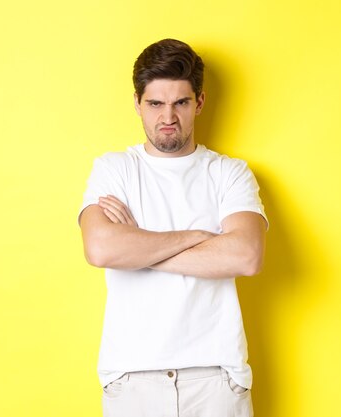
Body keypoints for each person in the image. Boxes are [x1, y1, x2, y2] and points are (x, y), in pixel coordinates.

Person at [78, 38, 267, 417]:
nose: (168, 117)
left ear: (198, 102)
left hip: (216, 378)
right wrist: (199, 238)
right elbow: (101, 250)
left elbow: (246, 256)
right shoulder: (115, 170)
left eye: (180, 102)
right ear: (137, 103)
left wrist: (138, 250)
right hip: (132, 379)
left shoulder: (228, 173)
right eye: (155, 104)